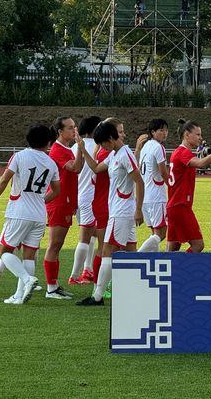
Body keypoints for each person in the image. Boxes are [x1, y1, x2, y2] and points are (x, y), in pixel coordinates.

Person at [0, 125, 60, 304]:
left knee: (4, 250)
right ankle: (19, 296)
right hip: (39, 215)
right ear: (48, 142)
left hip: (19, 212)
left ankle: (27, 280)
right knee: (29, 254)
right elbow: (57, 190)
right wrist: (42, 201)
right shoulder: (51, 163)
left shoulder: (19, 156)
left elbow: (5, 179)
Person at [77, 119, 144, 306]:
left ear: (109, 139)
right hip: (120, 211)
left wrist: (138, 209)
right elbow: (96, 168)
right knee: (131, 252)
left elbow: (139, 181)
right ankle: (136, 291)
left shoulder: (125, 155)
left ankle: (97, 296)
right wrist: (82, 149)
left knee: (107, 250)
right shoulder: (113, 154)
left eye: (102, 143)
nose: (102, 147)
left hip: (121, 212)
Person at [166, 119, 211, 252]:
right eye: (197, 135)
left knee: (173, 248)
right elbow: (201, 163)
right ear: (187, 135)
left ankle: (171, 270)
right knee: (198, 245)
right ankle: (182, 269)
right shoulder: (183, 152)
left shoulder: (178, 152)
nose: (200, 138)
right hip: (180, 206)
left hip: (174, 206)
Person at [44, 116, 83, 300]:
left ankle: (54, 285)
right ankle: (51, 287)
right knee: (54, 245)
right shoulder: (59, 150)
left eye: (74, 127)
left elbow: (77, 169)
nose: (74, 130)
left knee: (57, 246)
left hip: (65, 203)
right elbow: (75, 168)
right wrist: (81, 148)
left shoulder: (66, 149)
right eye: (70, 128)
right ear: (60, 131)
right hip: (58, 203)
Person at [66, 116, 102, 286]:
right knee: (85, 236)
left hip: (81, 195)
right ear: (93, 130)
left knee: (93, 233)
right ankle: (74, 275)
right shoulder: (98, 147)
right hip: (91, 196)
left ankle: (87, 270)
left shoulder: (75, 147)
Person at [136, 118, 170, 252]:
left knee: (154, 233)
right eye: (161, 130)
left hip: (145, 196)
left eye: (166, 130)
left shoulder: (146, 146)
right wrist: (172, 186)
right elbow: (163, 172)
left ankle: (151, 261)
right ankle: (138, 256)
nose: (165, 133)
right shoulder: (158, 147)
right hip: (157, 196)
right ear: (153, 132)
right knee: (161, 234)